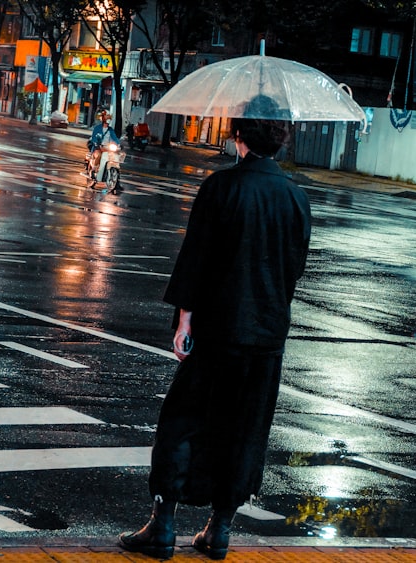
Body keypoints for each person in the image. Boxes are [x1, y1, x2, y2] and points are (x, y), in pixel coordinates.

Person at [118, 114, 312, 561]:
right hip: (266, 335)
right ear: (280, 142)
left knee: (183, 422)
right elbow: (294, 268)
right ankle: (219, 529)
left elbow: (196, 258)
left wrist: (185, 321)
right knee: (244, 430)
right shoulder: (296, 197)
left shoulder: (222, 187)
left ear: (238, 137)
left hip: (218, 328)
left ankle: (163, 525)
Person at [87, 110, 119, 179]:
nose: (108, 119)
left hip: (107, 148)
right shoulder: (97, 128)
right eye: (107, 117)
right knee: (98, 155)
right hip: (98, 148)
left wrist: (118, 144)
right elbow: (94, 138)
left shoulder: (111, 130)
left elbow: (115, 138)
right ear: (103, 118)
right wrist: (96, 144)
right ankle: (93, 170)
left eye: (109, 117)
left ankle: (116, 179)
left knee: (115, 158)